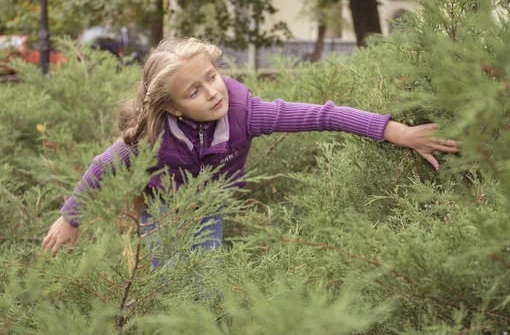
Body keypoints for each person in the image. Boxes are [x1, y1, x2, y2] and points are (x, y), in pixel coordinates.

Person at [42, 37, 459, 257]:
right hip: (163, 206)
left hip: (209, 205)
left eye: (211, 76)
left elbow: (324, 115)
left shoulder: (247, 113)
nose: (211, 92)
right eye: (193, 90)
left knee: (201, 272)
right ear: (171, 106)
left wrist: (397, 132)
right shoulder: (151, 135)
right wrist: (70, 219)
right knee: (168, 273)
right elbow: (103, 166)